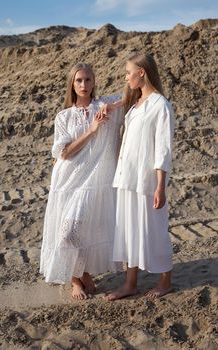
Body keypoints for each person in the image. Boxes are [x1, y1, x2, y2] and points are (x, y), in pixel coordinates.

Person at [40, 63, 123, 300]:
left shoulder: (104, 106)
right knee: (67, 233)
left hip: (95, 180)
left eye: (88, 80)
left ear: (94, 82)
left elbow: (131, 96)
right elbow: (64, 153)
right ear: (72, 84)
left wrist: (112, 105)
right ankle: (76, 279)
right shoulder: (64, 116)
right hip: (68, 180)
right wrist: (92, 129)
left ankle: (85, 272)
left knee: (86, 228)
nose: (84, 85)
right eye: (79, 81)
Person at [102, 52, 174, 301]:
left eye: (128, 72)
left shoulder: (161, 105)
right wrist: (112, 106)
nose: (125, 77)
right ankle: (130, 283)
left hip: (146, 182)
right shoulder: (135, 105)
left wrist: (160, 186)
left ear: (141, 72)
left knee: (155, 230)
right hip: (125, 177)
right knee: (128, 231)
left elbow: (163, 149)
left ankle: (165, 281)